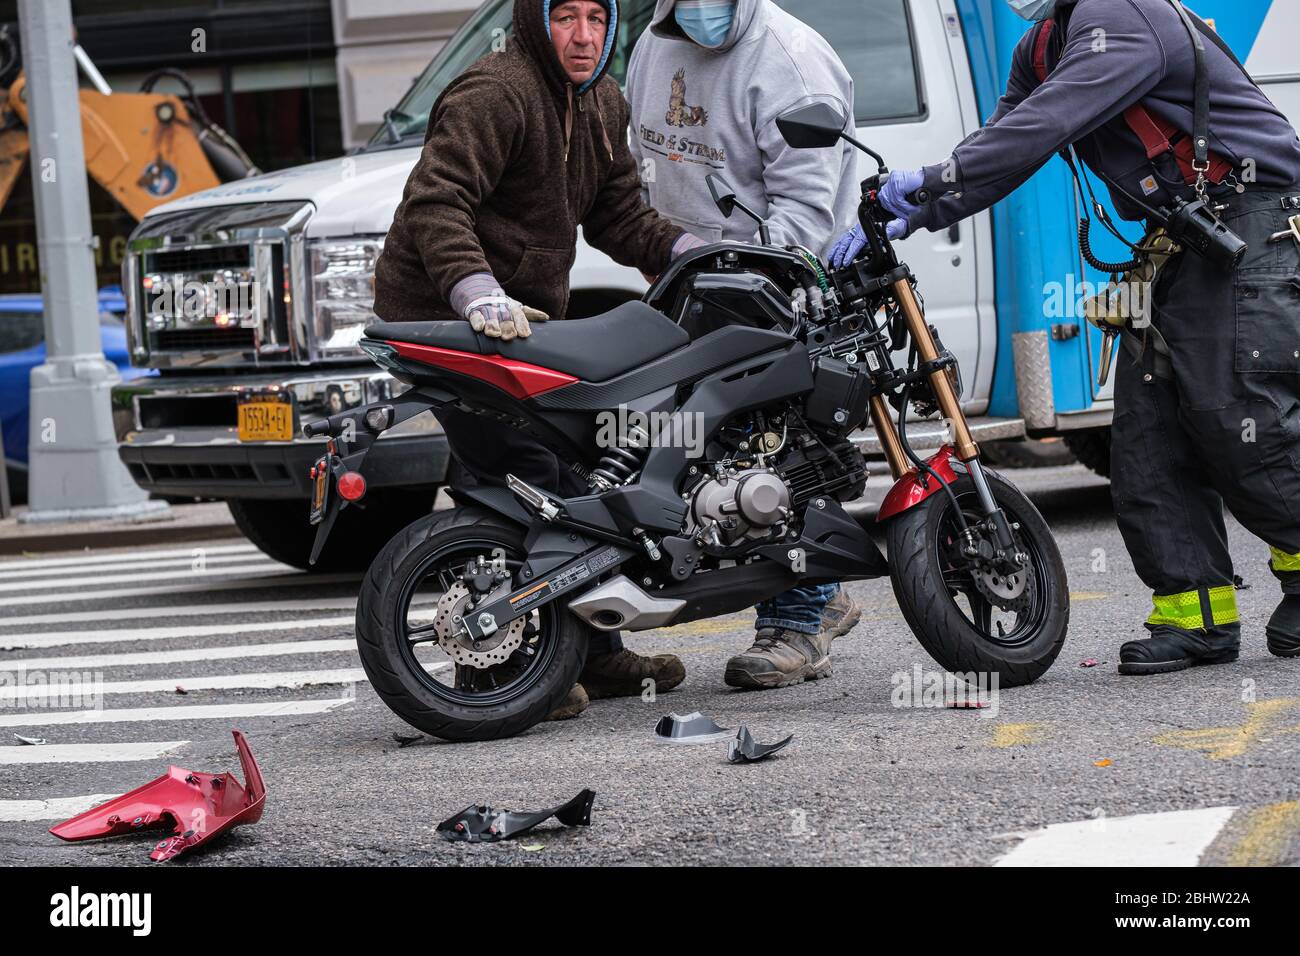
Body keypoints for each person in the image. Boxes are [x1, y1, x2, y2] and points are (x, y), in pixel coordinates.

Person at [831, 0, 1300, 674]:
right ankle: (1194, 613)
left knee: (1238, 416)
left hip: (1251, 221)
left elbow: (1046, 125)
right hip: (1181, 236)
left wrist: (929, 184)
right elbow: (1007, 146)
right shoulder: (1043, 45)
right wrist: (918, 213)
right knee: (1148, 434)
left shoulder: (1122, 14)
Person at [375, 0, 708, 718]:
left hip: (523, 321)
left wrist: (688, 253)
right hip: (442, 310)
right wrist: (475, 291)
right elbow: (437, 201)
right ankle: (501, 669)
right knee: (520, 474)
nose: (583, 36)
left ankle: (596, 652)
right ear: (535, 20)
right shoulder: (497, 91)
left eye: (597, 17)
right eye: (565, 17)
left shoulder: (603, 101)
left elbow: (618, 213)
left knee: (575, 472)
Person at [626, 0, 863, 690]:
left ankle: (797, 618)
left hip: (784, 288)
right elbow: (647, 163)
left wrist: (733, 284)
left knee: (777, 450)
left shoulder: (790, 61)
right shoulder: (652, 45)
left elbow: (806, 212)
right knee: (704, 459)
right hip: (692, 283)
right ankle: (824, 588)